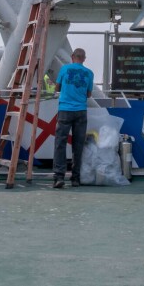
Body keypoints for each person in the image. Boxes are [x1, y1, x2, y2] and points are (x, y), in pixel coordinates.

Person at [52, 48, 94, 188]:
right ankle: (75, 178)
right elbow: (88, 94)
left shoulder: (64, 69)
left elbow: (57, 88)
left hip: (65, 110)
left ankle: (59, 176)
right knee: (78, 145)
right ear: (84, 58)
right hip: (81, 111)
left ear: (72, 56)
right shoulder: (89, 73)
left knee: (60, 143)